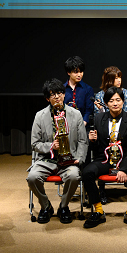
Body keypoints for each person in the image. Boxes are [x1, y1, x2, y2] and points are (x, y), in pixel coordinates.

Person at [82, 86, 127, 229]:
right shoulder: (98, 119)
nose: (115, 103)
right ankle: (98, 211)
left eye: (118, 100)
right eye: (111, 101)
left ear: (123, 101)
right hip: (105, 159)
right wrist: (92, 141)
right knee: (86, 172)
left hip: (126, 159)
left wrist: (123, 169)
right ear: (106, 103)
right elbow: (95, 149)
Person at [27, 78, 88, 224]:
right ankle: (46, 206)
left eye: (60, 93)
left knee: (74, 176)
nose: (57, 97)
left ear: (64, 94)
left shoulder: (76, 114)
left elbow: (83, 140)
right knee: (32, 177)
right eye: (52, 94)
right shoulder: (40, 116)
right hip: (46, 160)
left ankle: (63, 206)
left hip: (69, 160)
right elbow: (35, 143)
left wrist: (80, 158)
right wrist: (50, 146)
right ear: (47, 98)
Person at [93, 65, 127, 204]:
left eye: (120, 77)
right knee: (100, 150)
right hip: (106, 137)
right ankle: (102, 189)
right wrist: (101, 111)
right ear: (108, 80)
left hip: (122, 134)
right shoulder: (100, 96)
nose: (119, 80)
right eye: (116, 78)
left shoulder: (126, 93)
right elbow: (98, 121)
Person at [63, 56, 94, 125]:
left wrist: (83, 124)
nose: (79, 75)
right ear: (68, 72)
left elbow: (89, 110)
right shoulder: (62, 89)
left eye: (81, 72)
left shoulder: (88, 89)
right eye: (76, 72)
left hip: (83, 125)